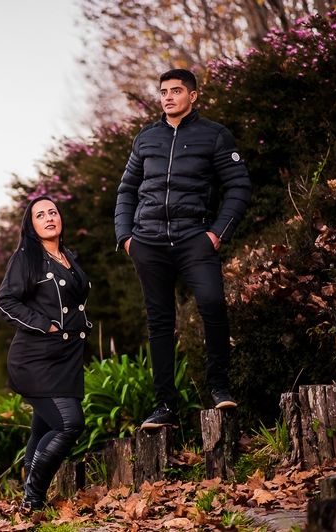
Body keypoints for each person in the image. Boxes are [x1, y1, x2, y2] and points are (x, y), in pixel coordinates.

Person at [114, 68, 252, 429]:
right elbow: (126, 189)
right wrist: (126, 237)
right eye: (163, 92)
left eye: (176, 91)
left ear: (193, 96)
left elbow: (238, 187)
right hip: (149, 243)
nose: (168, 97)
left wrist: (216, 233)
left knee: (212, 303)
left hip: (195, 238)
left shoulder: (214, 136)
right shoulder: (146, 139)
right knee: (159, 322)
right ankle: (165, 405)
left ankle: (219, 387)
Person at [0, 195, 92, 512]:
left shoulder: (68, 256)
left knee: (43, 429)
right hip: (35, 359)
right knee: (68, 424)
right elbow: (6, 302)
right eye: (40, 215)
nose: (49, 217)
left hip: (67, 358)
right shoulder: (27, 258)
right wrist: (46, 326)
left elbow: (74, 302)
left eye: (53, 212)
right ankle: (33, 498)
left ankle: (29, 500)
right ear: (31, 225)